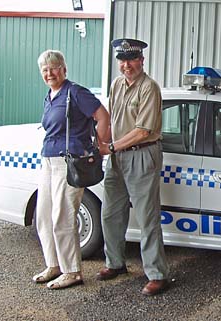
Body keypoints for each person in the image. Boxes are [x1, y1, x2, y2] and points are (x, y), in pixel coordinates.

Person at [97, 38, 169, 296]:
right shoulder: (117, 84)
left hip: (141, 154)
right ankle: (115, 263)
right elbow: (109, 117)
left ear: (141, 60)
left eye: (131, 59)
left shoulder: (149, 88)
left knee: (147, 217)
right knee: (110, 213)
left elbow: (142, 131)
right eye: (122, 60)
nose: (126, 65)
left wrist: (111, 147)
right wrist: (100, 141)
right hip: (116, 156)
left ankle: (157, 274)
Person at [33, 50, 110, 289]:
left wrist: (99, 145)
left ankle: (72, 271)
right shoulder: (50, 96)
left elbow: (102, 116)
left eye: (54, 68)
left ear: (64, 69)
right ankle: (53, 265)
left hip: (70, 162)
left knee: (63, 216)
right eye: (45, 70)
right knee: (44, 217)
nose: (49, 73)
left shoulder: (75, 92)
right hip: (49, 160)